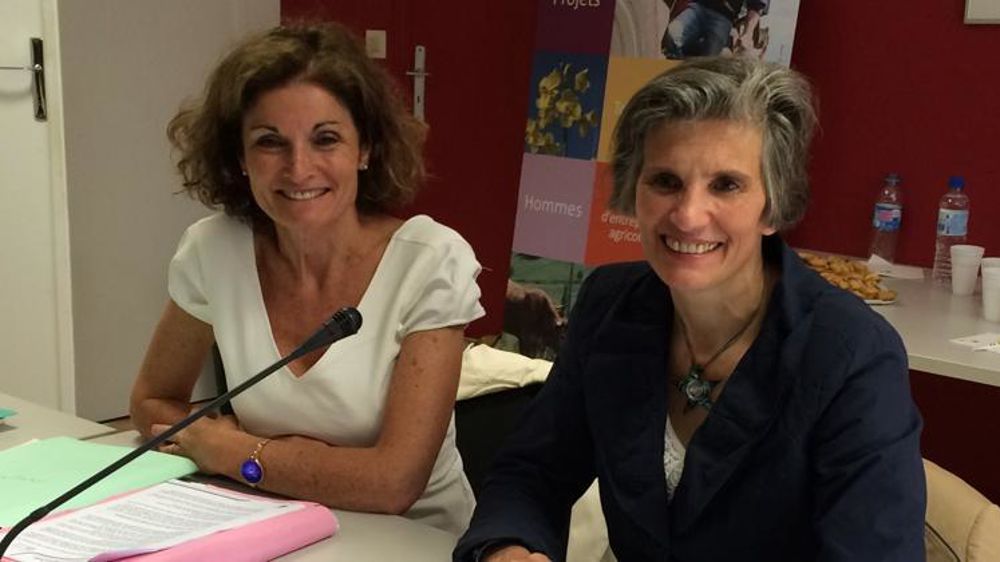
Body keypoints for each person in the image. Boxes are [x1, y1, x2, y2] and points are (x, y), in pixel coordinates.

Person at [454, 56, 925, 561]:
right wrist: (508, 548)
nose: (687, 215)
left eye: (726, 184)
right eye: (666, 181)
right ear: (634, 190)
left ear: (773, 206)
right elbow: (533, 470)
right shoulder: (610, 305)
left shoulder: (852, 357)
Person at [129, 22, 485, 536]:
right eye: (270, 142)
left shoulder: (430, 261)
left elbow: (393, 483)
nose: (299, 169)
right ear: (239, 159)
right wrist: (274, 462)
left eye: (326, 139)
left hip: (413, 537)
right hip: (271, 522)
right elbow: (150, 400)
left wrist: (238, 453)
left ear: (364, 150)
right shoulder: (213, 249)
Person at [662, 0, 767, 59]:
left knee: (709, 57)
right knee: (672, 35)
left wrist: (747, 34)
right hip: (698, 6)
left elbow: (757, 7)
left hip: (723, 17)